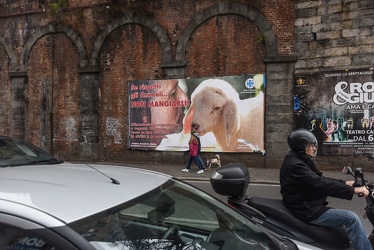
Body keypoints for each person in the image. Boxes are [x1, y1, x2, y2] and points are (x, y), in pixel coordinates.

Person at [280, 128, 371, 250]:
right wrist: (354, 190)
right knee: (351, 219)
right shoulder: (295, 165)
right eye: (311, 146)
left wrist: (346, 183)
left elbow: (319, 179)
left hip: (307, 204)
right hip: (306, 209)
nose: (314, 148)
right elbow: (320, 184)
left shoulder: (299, 159)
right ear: (301, 146)